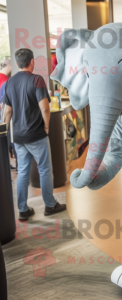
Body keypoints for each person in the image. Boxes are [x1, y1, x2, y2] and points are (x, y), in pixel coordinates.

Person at [3, 48, 66, 220]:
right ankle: (50, 205)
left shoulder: (9, 83)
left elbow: (7, 112)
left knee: (22, 172)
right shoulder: (37, 80)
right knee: (45, 169)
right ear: (32, 62)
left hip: (19, 137)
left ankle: (23, 210)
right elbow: (45, 107)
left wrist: (5, 134)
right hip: (36, 135)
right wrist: (46, 128)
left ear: (16, 63)